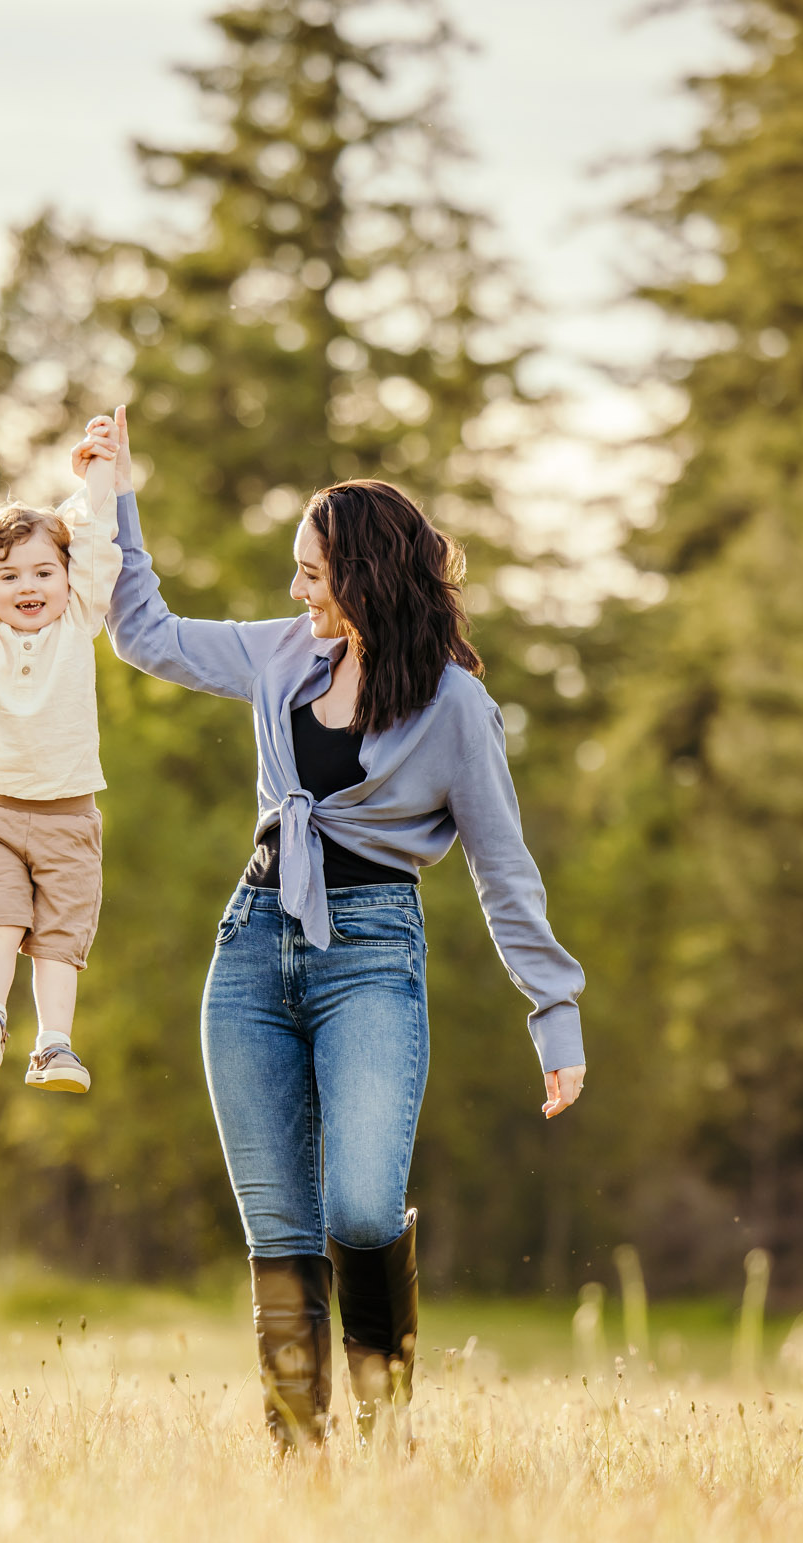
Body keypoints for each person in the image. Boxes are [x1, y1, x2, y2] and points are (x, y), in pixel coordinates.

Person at [82, 407, 587, 1449]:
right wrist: (117, 495)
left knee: (359, 1209)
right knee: (279, 1230)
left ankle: (389, 1425)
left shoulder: (456, 707)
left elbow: (504, 868)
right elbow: (147, 636)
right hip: (252, 944)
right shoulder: (281, 658)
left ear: (364, 576)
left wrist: (555, 1007)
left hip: (369, 955)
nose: (297, 592)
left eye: (312, 574)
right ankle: (297, 1460)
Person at [0, 441, 123, 1092]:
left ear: (69, 579)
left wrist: (102, 467)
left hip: (69, 815)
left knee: (58, 939)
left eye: (44, 572)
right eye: (10, 574)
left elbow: (96, 538)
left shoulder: (78, 623)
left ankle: (54, 1047)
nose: (27, 586)